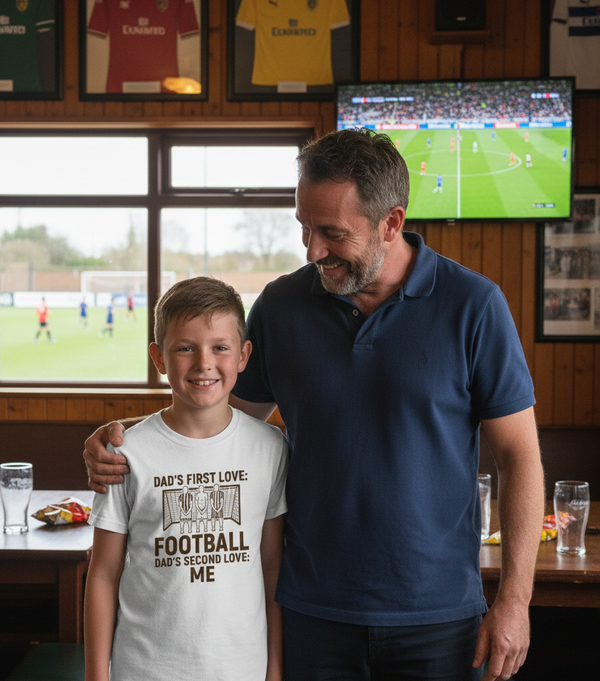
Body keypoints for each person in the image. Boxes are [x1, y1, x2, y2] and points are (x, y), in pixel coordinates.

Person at [84, 129, 544, 681]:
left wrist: (515, 598)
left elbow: (519, 456)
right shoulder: (282, 305)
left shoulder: (474, 306)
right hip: (309, 612)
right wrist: (125, 440)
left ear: (391, 223)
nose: (313, 250)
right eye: (304, 228)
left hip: (439, 616)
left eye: (332, 233)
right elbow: (213, 419)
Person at [84, 276, 288, 681]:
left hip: (241, 668)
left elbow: (271, 567)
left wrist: (275, 668)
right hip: (145, 669)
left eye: (220, 348)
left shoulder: (270, 448)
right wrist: (96, 675)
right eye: (185, 348)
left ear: (244, 356)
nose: (203, 363)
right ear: (158, 359)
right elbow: (103, 574)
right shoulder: (125, 453)